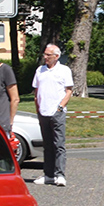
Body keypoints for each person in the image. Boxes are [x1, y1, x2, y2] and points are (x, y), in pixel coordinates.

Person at [32, 44, 73, 187]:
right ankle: (48, 175)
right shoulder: (40, 70)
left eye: (48, 55)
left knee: (59, 144)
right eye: (44, 54)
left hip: (57, 112)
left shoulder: (64, 70)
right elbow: (36, 91)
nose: (45, 57)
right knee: (47, 145)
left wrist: (60, 107)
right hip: (43, 112)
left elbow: (69, 91)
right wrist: (37, 107)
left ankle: (60, 174)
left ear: (56, 56)